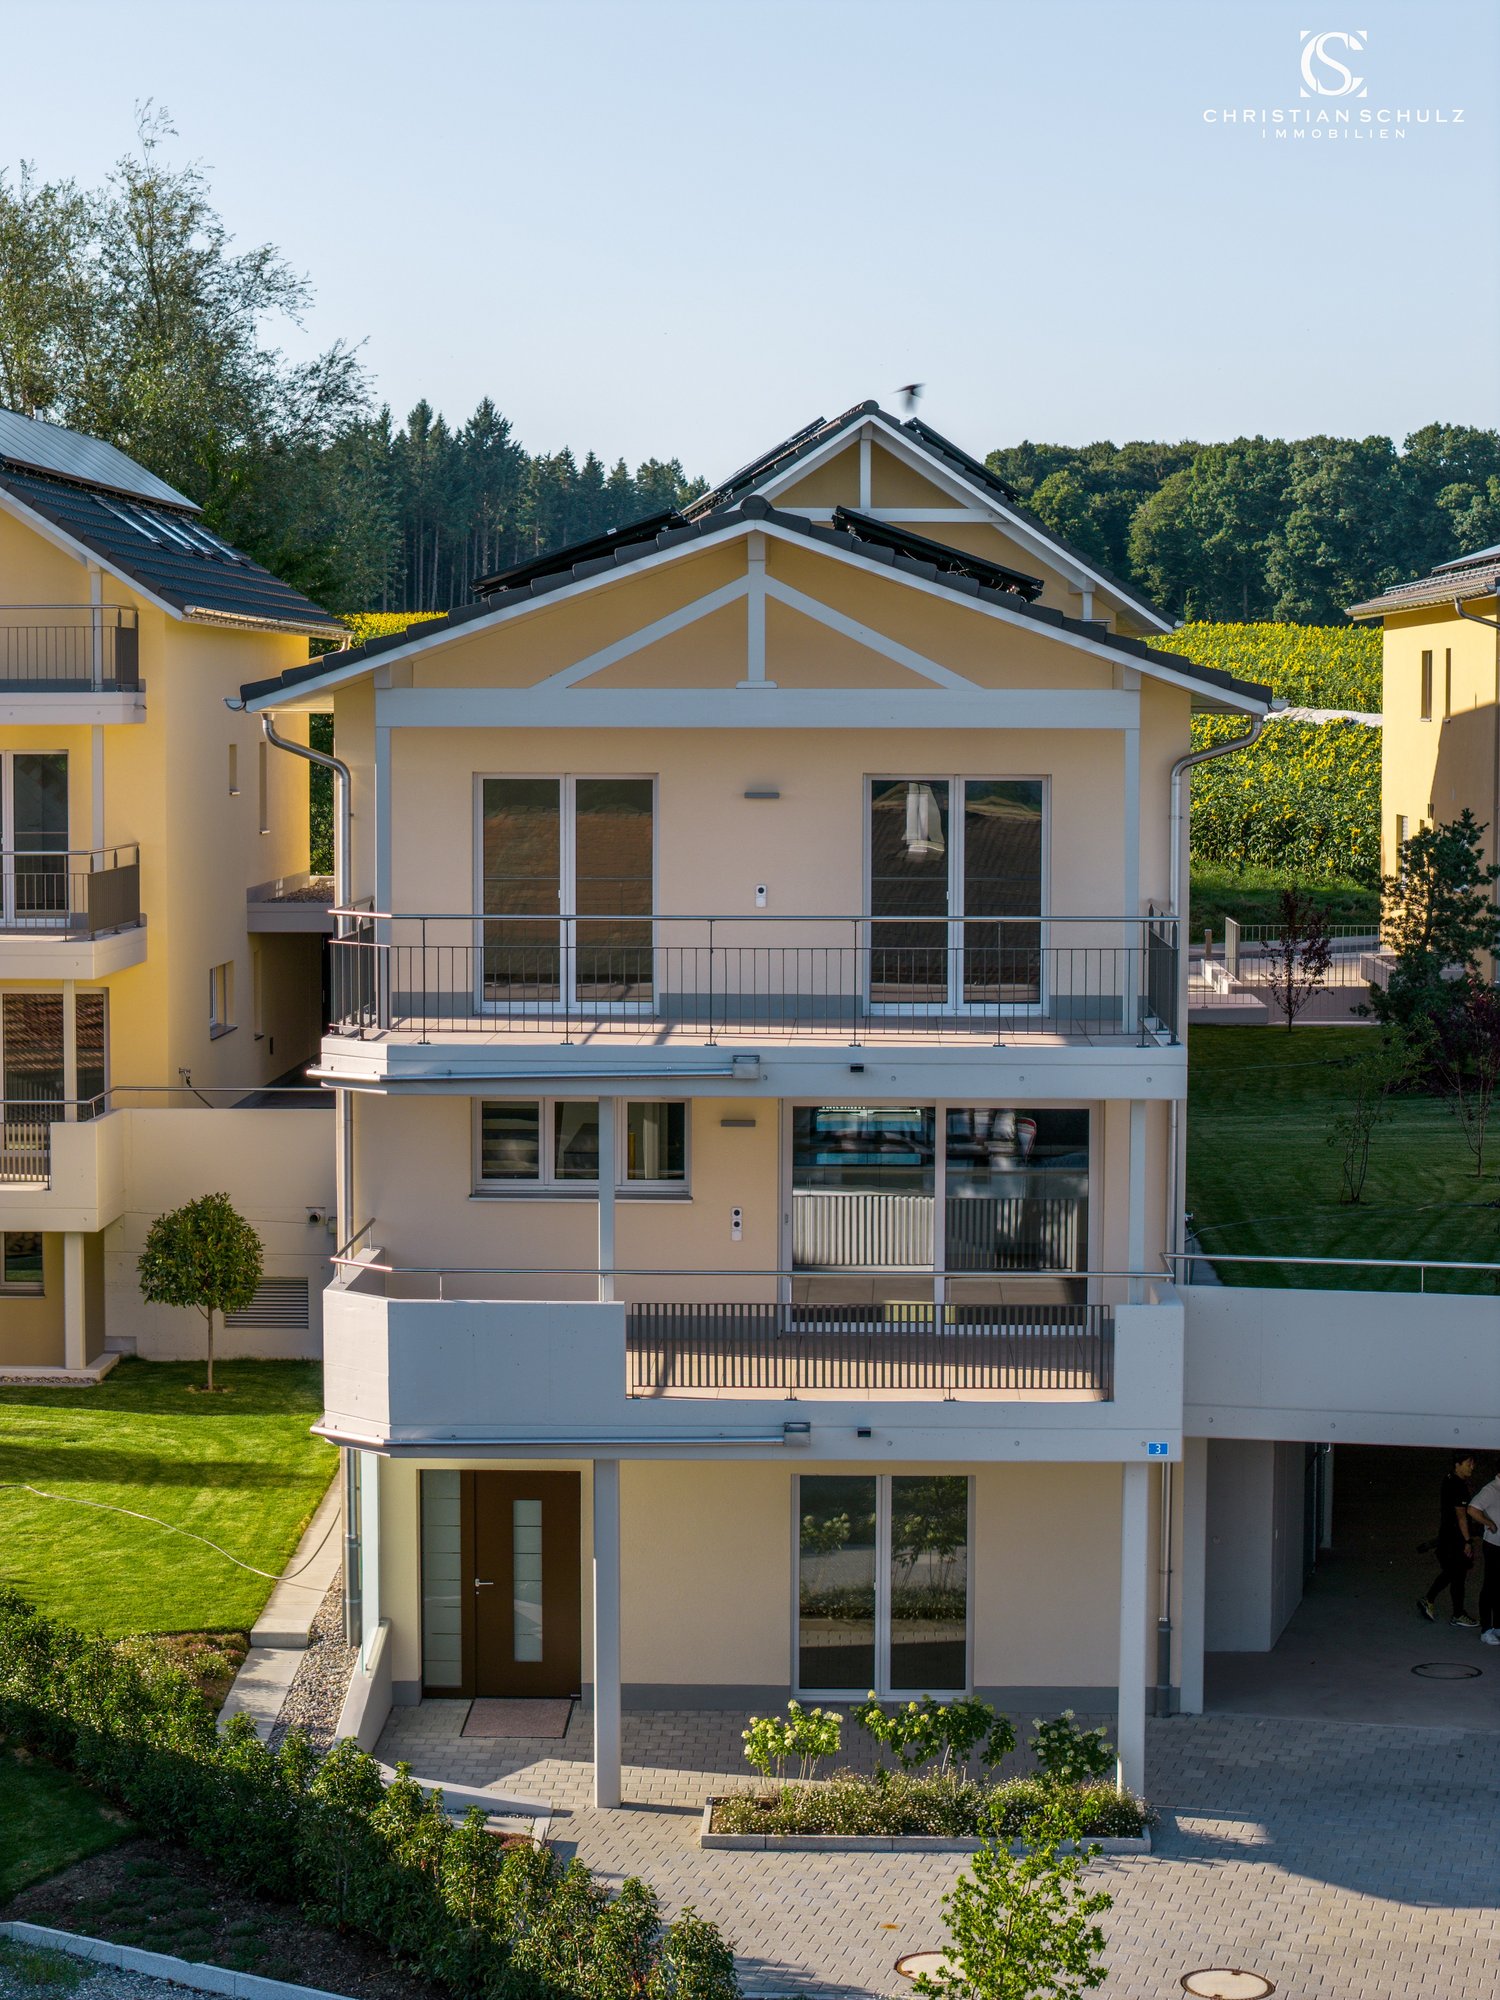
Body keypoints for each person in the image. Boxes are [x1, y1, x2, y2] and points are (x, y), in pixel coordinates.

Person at [1418, 1451, 1480, 1628]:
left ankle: (1456, 1612)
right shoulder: (1458, 1486)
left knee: (1455, 1574)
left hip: (1448, 1535)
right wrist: (1467, 1541)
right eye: (1469, 1463)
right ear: (1457, 1464)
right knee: (1455, 1573)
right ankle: (1437, 1603)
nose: (1472, 1467)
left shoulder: (1449, 1480)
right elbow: (1461, 1516)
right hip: (1455, 1539)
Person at [1463, 1463, 1500, 1644]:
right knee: (1490, 1586)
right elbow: (1472, 1509)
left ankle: (1498, 1626)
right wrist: (1489, 1523)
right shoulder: (1491, 1489)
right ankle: (1486, 1629)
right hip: (1494, 1545)